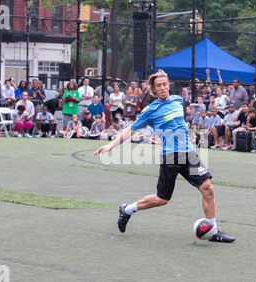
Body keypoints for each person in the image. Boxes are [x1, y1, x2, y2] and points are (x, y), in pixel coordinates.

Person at [94, 70, 235, 243]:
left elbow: (180, 122)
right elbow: (130, 130)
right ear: (153, 89)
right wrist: (110, 145)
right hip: (170, 157)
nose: (163, 88)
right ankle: (127, 209)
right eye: (158, 85)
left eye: (165, 84)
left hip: (188, 153)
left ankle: (213, 231)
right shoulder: (150, 110)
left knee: (208, 189)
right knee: (162, 199)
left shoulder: (177, 100)